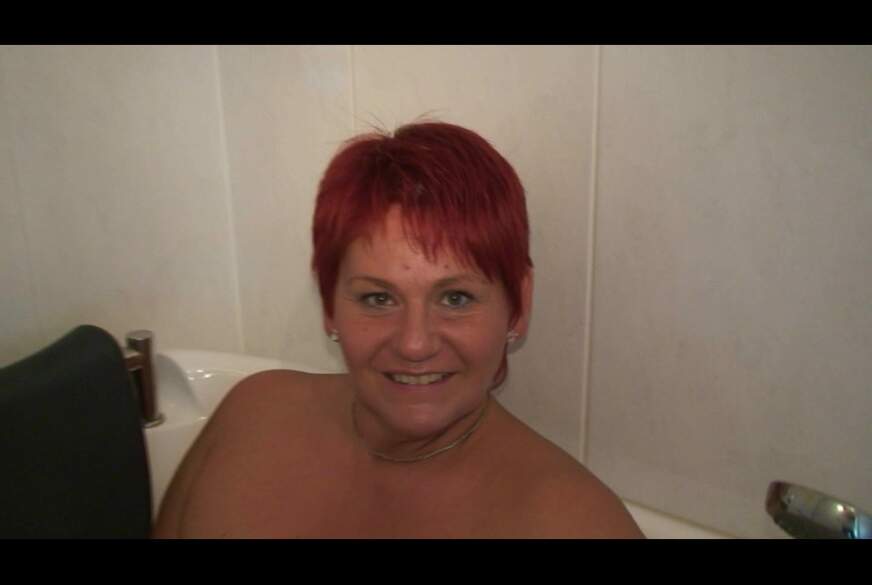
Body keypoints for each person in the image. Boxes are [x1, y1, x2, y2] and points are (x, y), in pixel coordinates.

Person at [153, 121, 644, 538]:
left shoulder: (575, 523)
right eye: (378, 298)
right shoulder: (250, 414)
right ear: (329, 303)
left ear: (518, 306)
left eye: (456, 298)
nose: (414, 343)